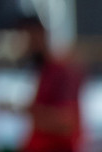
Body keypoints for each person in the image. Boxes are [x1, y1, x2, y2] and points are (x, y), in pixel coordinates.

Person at [8, 15, 86, 152]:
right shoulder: (45, 70)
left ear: (38, 34)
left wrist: (28, 110)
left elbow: (66, 122)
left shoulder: (62, 70)